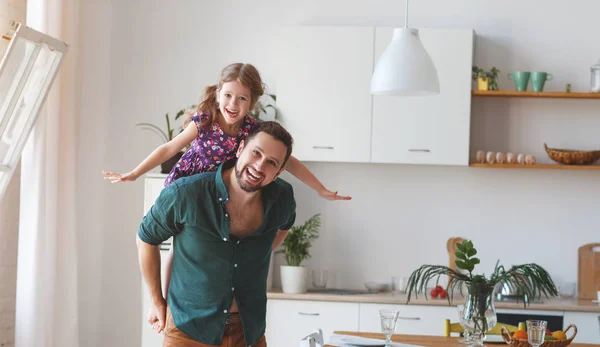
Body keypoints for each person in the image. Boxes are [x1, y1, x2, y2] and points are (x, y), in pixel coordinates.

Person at [137, 121, 296, 347]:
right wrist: (156, 300)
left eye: (271, 162)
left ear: (280, 171)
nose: (259, 166)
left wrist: (257, 252)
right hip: (188, 331)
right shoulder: (187, 193)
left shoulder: (282, 198)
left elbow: (285, 225)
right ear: (241, 148)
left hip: (249, 332)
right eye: (256, 153)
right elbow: (146, 238)